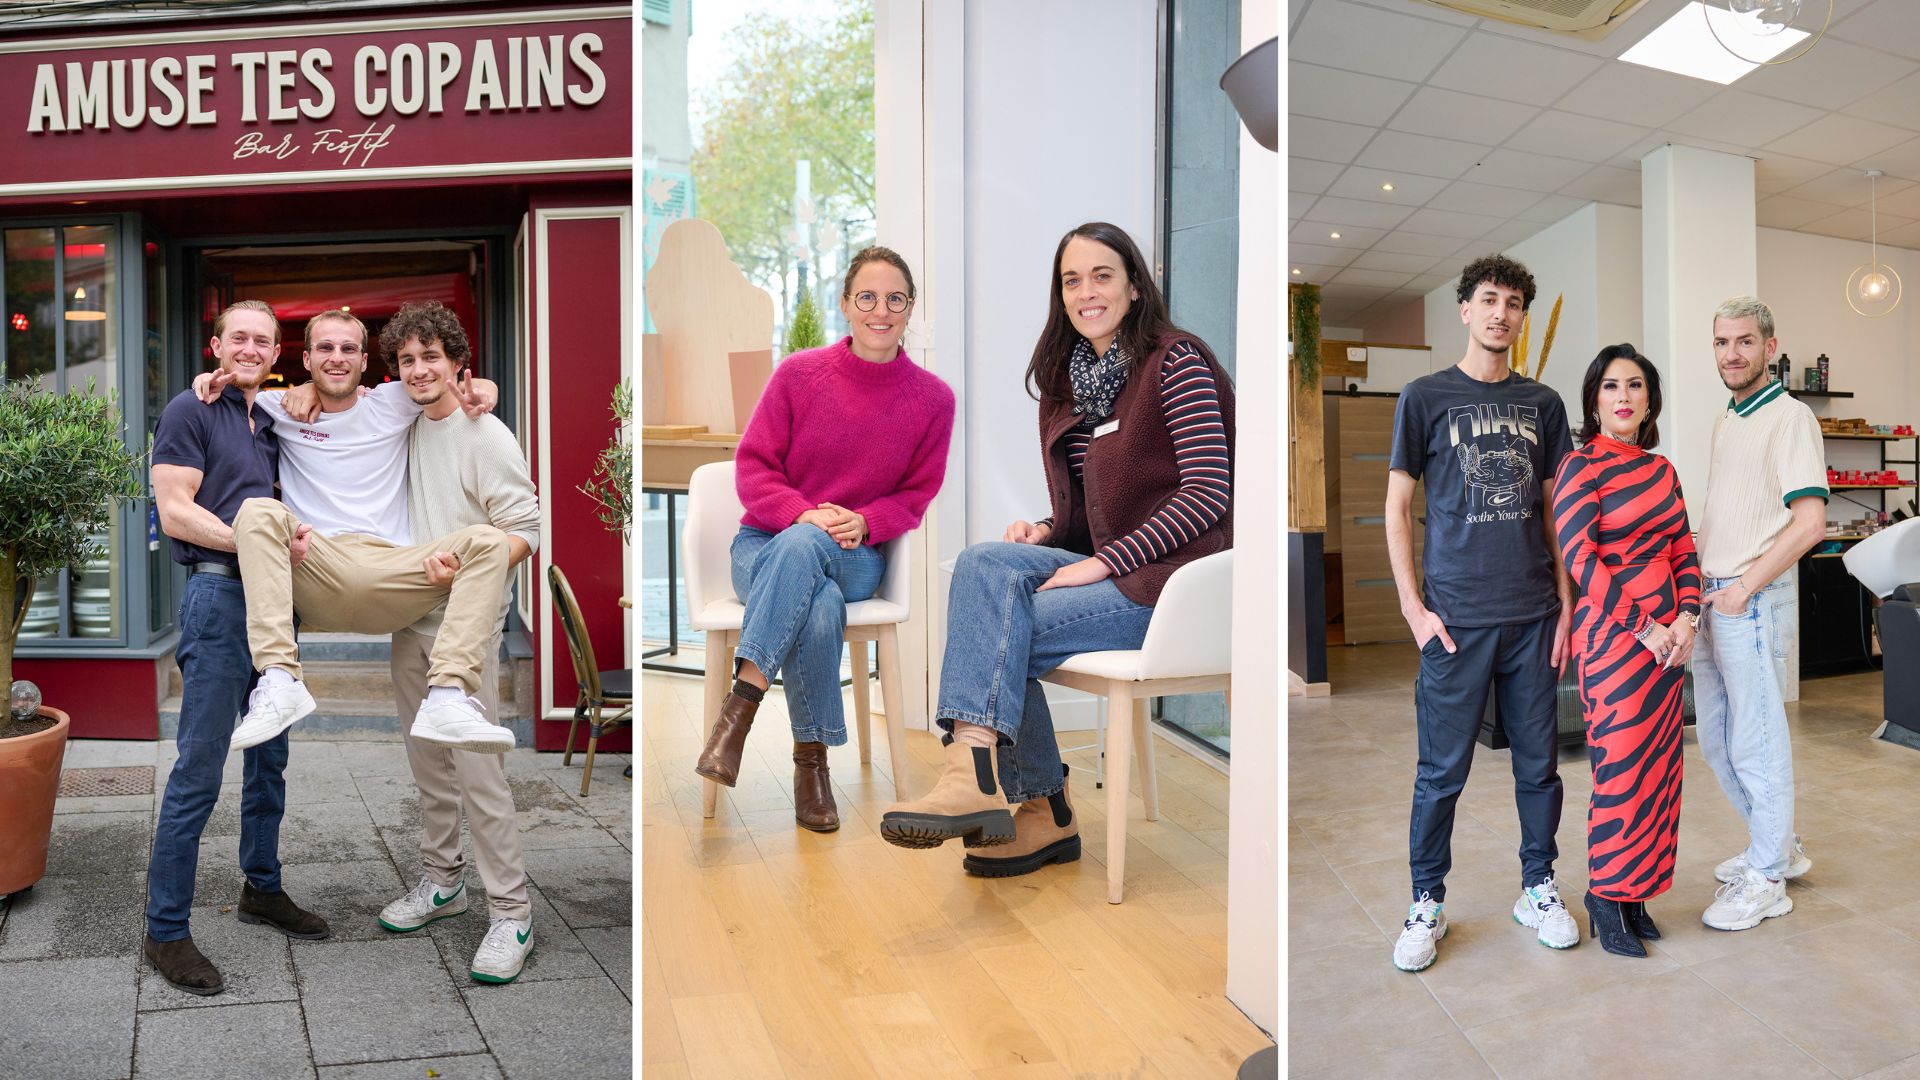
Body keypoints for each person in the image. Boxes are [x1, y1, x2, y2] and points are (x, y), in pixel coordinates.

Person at [876, 221, 1233, 881]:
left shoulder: (1175, 361)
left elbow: (1209, 494)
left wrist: (1104, 562)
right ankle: (987, 776)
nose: (1086, 291)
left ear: (1132, 285)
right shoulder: (1069, 381)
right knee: (986, 564)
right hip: (1115, 568)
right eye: (1072, 279)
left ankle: (1033, 803)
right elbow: (1092, 516)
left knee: (996, 629)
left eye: (1102, 275)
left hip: (1172, 585)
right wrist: (1047, 531)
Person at [693, 247, 955, 832]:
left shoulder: (933, 400)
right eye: (867, 297)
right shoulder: (798, 375)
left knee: (815, 558)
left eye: (895, 299)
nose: (880, 310)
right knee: (818, 602)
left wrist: (861, 523)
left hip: (856, 555)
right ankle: (812, 767)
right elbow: (754, 469)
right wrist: (803, 516)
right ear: (845, 304)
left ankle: (738, 711)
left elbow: (916, 494)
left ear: (909, 308)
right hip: (763, 547)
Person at [190, 310, 515, 755]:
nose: (336, 358)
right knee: (257, 511)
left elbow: (461, 384)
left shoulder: (395, 400)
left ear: (366, 363)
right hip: (318, 567)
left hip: (393, 571)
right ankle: (280, 679)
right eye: (324, 349)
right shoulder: (274, 407)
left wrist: (486, 393)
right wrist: (207, 380)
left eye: (347, 350)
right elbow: (236, 392)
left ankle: (448, 695)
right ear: (305, 359)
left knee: (490, 540)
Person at [1386, 253, 1578, 973]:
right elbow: (1398, 505)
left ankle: (1538, 887)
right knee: (1441, 773)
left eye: (1515, 303)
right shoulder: (1424, 397)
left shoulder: (1545, 405)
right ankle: (1425, 901)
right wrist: (1412, 608)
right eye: (1489, 300)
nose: (1502, 313)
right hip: (1454, 621)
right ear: (1464, 310)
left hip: (1533, 616)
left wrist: (1565, 602)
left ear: (1522, 319)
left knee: (1540, 768)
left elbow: (1558, 512)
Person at [145, 300, 330, 996]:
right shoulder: (190, 410)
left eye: (263, 340)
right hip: (220, 596)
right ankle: (165, 930)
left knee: (271, 759)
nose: (250, 348)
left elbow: (341, 392)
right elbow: (174, 509)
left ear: (277, 353)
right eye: (238, 338)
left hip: (275, 602)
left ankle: (262, 887)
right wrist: (261, 541)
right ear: (217, 344)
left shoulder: (271, 419)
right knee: (199, 768)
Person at [369, 301, 541, 983]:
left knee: (478, 773)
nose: (418, 369)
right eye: (407, 359)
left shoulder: (485, 433)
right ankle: (443, 884)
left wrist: (468, 563)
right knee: (427, 765)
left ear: (457, 363)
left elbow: (525, 529)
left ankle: (512, 914)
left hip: (462, 630)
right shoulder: (403, 421)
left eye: (431, 356)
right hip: (409, 616)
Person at [1551, 344, 1700, 957]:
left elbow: (1684, 551)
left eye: (1635, 386)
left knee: (1660, 774)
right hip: (1617, 643)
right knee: (1619, 773)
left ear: (1648, 399)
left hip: (1669, 648)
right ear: (1594, 399)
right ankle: (1605, 896)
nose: (1623, 396)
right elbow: (1580, 557)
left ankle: (1636, 896)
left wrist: (1687, 619)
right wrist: (1646, 628)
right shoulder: (1580, 467)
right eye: (1611, 386)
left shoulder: (1663, 472)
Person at [1693, 296, 1827, 932]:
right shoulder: (1728, 419)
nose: (1732, 354)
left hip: (1752, 600)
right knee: (1718, 740)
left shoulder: (1791, 417)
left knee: (1758, 739)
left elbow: (1810, 524)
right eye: (1722, 343)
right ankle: (1777, 844)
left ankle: (1769, 877)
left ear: (1770, 347)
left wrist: (1744, 586)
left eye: (1745, 342)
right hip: (1715, 596)